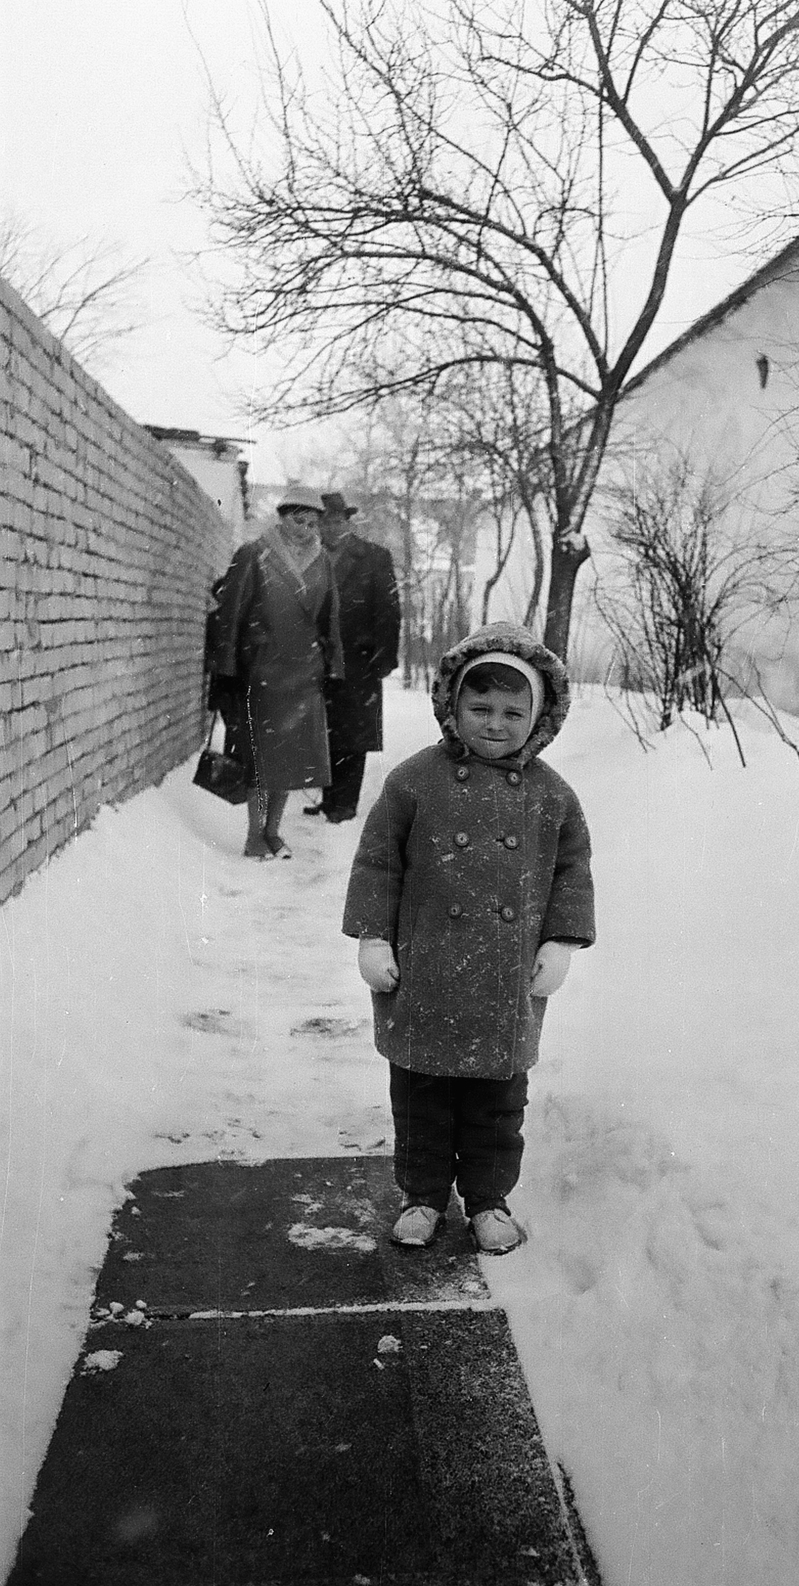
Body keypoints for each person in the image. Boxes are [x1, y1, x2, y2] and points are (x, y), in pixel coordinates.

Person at [341, 622, 595, 1255]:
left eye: (514, 711)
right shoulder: (414, 781)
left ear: (540, 717)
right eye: (480, 707)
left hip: (506, 980)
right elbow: (378, 864)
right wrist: (373, 939)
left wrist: (560, 942)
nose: (495, 723)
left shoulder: (551, 795)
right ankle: (423, 1196)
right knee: (422, 1095)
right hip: (425, 970)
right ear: (451, 705)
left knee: (495, 1102)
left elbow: (572, 871)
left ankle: (488, 1200)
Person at [209, 485, 344, 860]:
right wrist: (228, 668)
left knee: (291, 759)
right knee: (262, 757)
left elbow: (330, 617)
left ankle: (273, 832)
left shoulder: (322, 562)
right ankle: (254, 837)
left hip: (304, 673)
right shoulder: (254, 554)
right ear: (282, 518)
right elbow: (230, 613)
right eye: (299, 521)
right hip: (262, 670)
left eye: (314, 523)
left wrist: (333, 666)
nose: (307, 530)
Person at [303, 490, 401, 823]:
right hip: (317, 658)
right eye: (324, 522)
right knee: (324, 729)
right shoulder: (308, 556)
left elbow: (388, 609)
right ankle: (328, 798)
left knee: (352, 733)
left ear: (347, 521)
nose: (330, 527)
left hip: (359, 658)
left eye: (336, 520)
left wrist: (384, 657)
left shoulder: (373, 557)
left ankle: (345, 804)